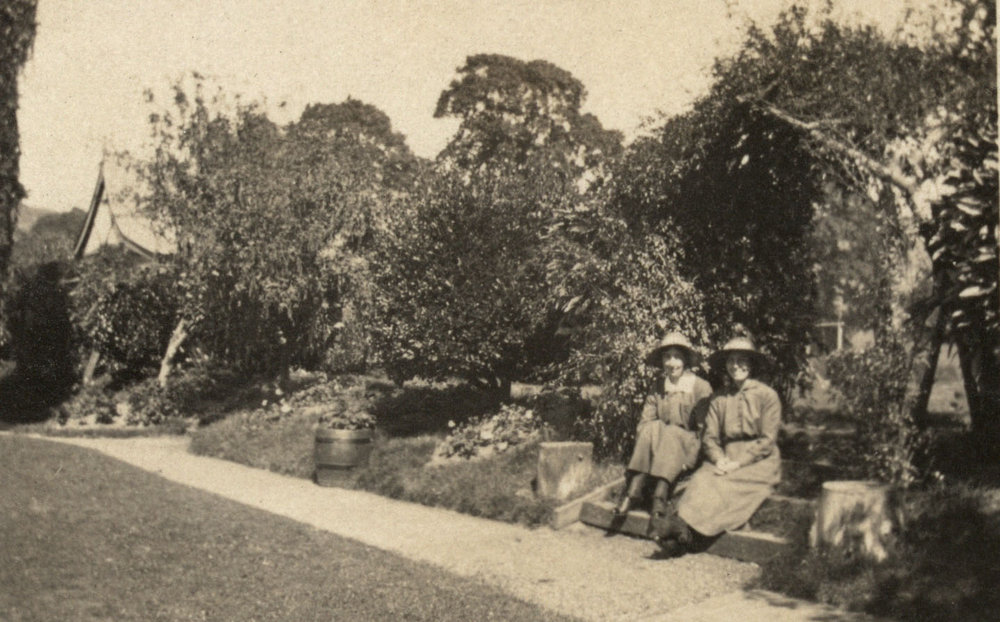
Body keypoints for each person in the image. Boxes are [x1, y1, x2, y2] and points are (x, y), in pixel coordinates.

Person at [653, 336, 782, 550]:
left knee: (727, 484)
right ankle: (681, 532)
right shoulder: (719, 399)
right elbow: (710, 438)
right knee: (703, 479)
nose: (736, 366)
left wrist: (738, 463)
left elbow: (767, 440)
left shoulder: (767, 396)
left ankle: (686, 534)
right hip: (726, 456)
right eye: (731, 361)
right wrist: (719, 458)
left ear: (751, 364)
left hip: (760, 461)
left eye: (742, 360)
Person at [614, 331, 712, 525]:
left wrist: (691, 459)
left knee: (672, 431)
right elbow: (645, 422)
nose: (671, 363)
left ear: (685, 361)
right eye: (667, 357)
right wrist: (652, 442)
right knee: (653, 427)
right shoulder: (659, 386)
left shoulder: (700, 387)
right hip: (660, 445)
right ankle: (632, 492)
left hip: (687, 445)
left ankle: (659, 496)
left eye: (677, 357)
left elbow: (704, 431)